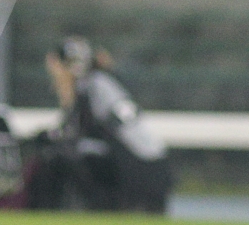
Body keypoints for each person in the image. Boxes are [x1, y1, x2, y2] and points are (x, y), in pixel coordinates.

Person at [41, 37, 171, 212]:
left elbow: (77, 135)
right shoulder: (103, 81)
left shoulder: (91, 87)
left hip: (137, 170)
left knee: (64, 157)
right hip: (155, 166)